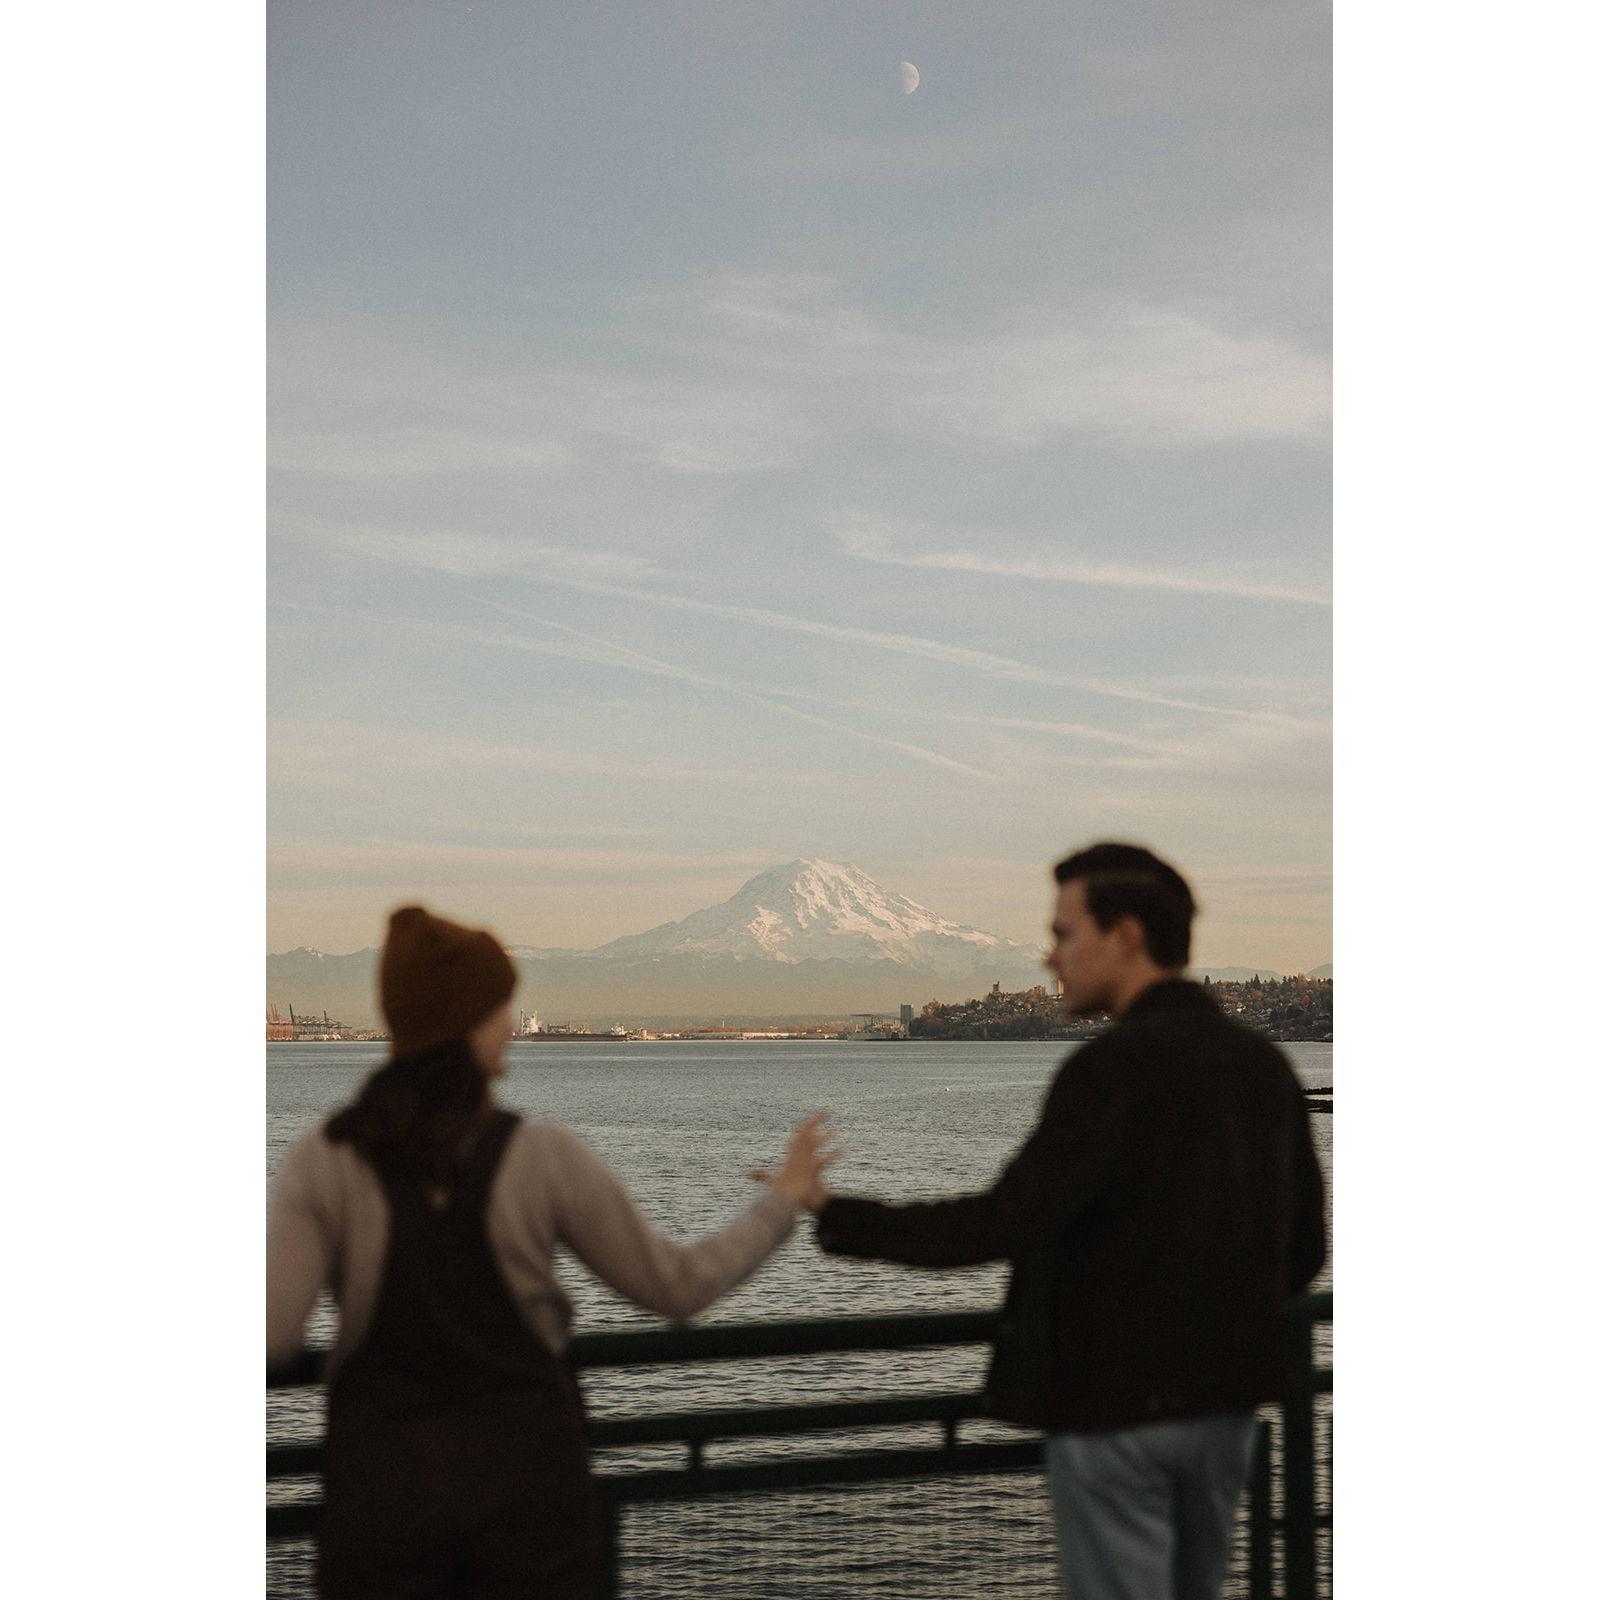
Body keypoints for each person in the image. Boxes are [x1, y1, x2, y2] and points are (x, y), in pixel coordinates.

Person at [267, 904, 838, 1600]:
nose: (511, 1023)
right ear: (470, 1022)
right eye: (500, 1005)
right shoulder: (541, 1158)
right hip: (529, 1503)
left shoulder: (322, 1162)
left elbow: (270, 1335)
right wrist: (783, 1200)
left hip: (383, 1502)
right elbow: (677, 1286)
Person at [808, 843, 1326, 1600]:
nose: (1050, 958)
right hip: (1224, 1409)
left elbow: (1003, 1221)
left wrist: (833, 1213)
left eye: (1063, 933)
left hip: (1114, 1413)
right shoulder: (1262, 1066)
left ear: (1125, 936)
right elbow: (1305, 1247)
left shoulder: (1109, 1070)